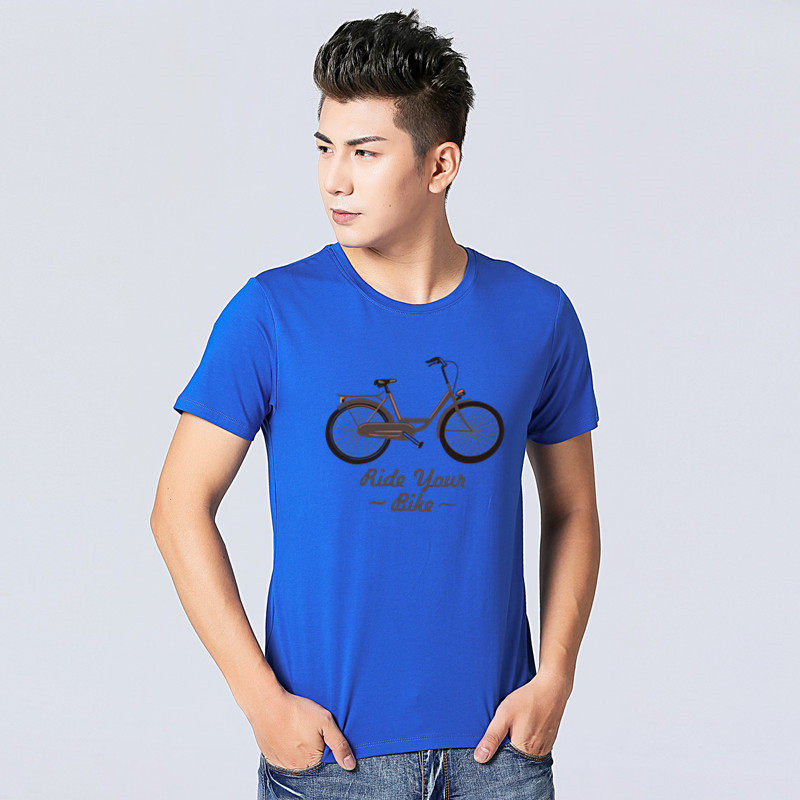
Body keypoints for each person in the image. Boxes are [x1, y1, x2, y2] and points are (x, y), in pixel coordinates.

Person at [150, 9, 601, 800]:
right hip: (332, 761)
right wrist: (262, 704)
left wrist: (555, 677)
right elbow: (177, 508)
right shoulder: (272, 313)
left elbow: (573, 510)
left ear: (439, 164)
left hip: (499, 755)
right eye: (324, 148)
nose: (334, 179)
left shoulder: (537, 315)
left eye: (364, 152)